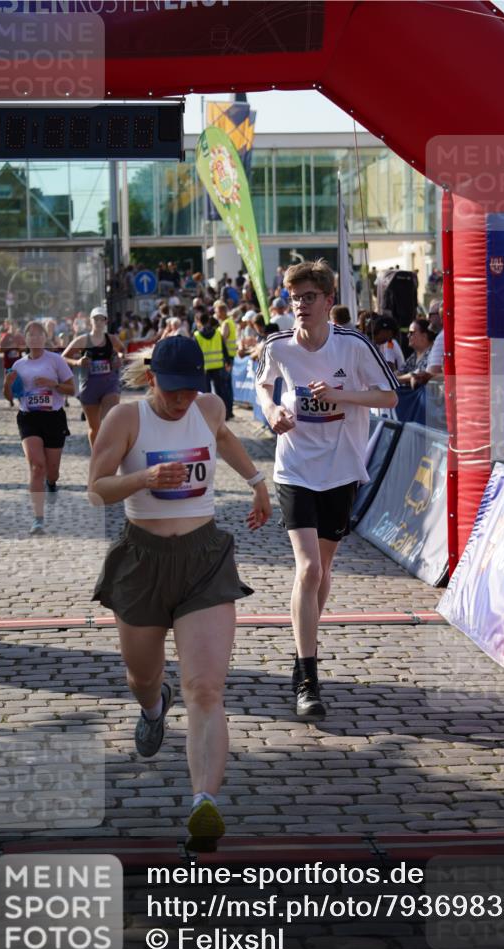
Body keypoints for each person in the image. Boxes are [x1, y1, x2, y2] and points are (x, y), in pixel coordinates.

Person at [87, 336, 271, 850]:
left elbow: (225, 437)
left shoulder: (207, 406)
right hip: (142, 560)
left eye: (189, 391)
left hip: (204, 559)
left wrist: (257, 481)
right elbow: (95, 487)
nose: (182, 401)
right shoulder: (126, 419)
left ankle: (203, 804)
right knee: (142, 677)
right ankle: (152, 708)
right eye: (172, 392)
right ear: (152, 381)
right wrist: (144, 477)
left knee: (207, 688)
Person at [255, 259, 397, 720]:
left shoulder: (352, 345)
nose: (300, 306)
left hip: (341, 469)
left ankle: (303, 647)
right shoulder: (278, 344)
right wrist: (271, 411)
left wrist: (343, 397)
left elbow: (390, 396)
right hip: (295, 468)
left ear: (328, 301)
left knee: (324, 569)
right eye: (294, 298)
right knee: (309, 568)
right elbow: (263, 385)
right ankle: (308, 674)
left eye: (309, 297)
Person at [4, 321, 75, 535]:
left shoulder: (56, 361)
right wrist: (8, 384)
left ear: (45, 338)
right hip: (29, 418)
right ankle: (38, 519)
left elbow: (72, 389)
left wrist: (53, 384)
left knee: (51, 471)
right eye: (30, 335)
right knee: (37, 466)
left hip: (54, 418)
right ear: (25, 339)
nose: (35, 338)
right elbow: (10, 397)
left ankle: (52, 482)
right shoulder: (18, 365)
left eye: (39, 335)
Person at [62, 306, 125, 447]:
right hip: (89, 385)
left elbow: (122, 351)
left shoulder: (111, 339)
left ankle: (111, 450)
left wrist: (119, 357)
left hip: (110, 383)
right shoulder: (83, 340)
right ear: (90, 321)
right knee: (94, 428)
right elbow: (63, 358)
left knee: (111, 418)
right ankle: (96, 455)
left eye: (101, 319)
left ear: (106, 321)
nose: (98, 321)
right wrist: (77, 362)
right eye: (95, 318)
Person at [193, 311, 234, 421]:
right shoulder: (217, 333)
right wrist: (228, 360)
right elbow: (223, 348)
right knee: (222, 392)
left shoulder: (196, 335)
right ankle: (226, 413)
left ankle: (208, 416)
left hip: (205, 368)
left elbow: (195, 353)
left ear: (198, 321)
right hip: (218, 365)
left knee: (206, 394)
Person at [396, 318, 437, 387]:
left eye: (411, 333)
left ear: (424, 336)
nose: (408, 335)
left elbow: (419, 374)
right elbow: (401, 371)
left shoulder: (433, 353)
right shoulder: (415, 355)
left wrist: (396, 379)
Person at [0, 323, 26, 407]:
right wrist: (10, 347)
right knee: (8, 383)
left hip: (18, 364)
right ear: (9, 328)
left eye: (15, 327)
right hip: (8, 365)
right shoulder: (6, 336)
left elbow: (25, 347)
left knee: (19, 382)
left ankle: (19, 399)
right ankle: (10, 400)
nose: (13, 329)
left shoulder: (19, 337)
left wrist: (19, 347)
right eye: (12, 327)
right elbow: (0, 349)